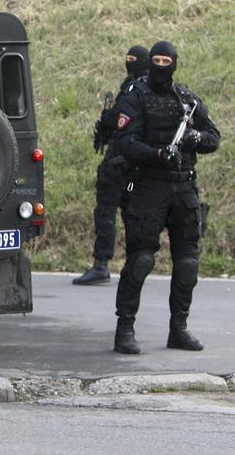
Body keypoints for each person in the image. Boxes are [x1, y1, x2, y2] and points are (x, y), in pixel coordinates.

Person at [112, 40, 220, 354]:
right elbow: (125, 143)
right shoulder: (136, 97)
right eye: (156, 60)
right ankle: (125, 329)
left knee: (187, 262)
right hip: (148, 187)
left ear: (174, 63)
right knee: (141, 259)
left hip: (184, 188)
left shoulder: (187, 99)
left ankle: (179, 328)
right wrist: (157, 154)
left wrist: (193, 137)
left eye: (166, 61)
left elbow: (213, 138)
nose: (161, 66)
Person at [74, 45, 149, 285]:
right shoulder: (147, 89)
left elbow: (117, 120)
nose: (129, 63)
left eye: (133, 60)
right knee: (131, 213)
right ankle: (135, 262)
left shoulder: (133, 89)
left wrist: (107, 122)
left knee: (107, 211)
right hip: (136, 165)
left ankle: (101, 264)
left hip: (119, 164)